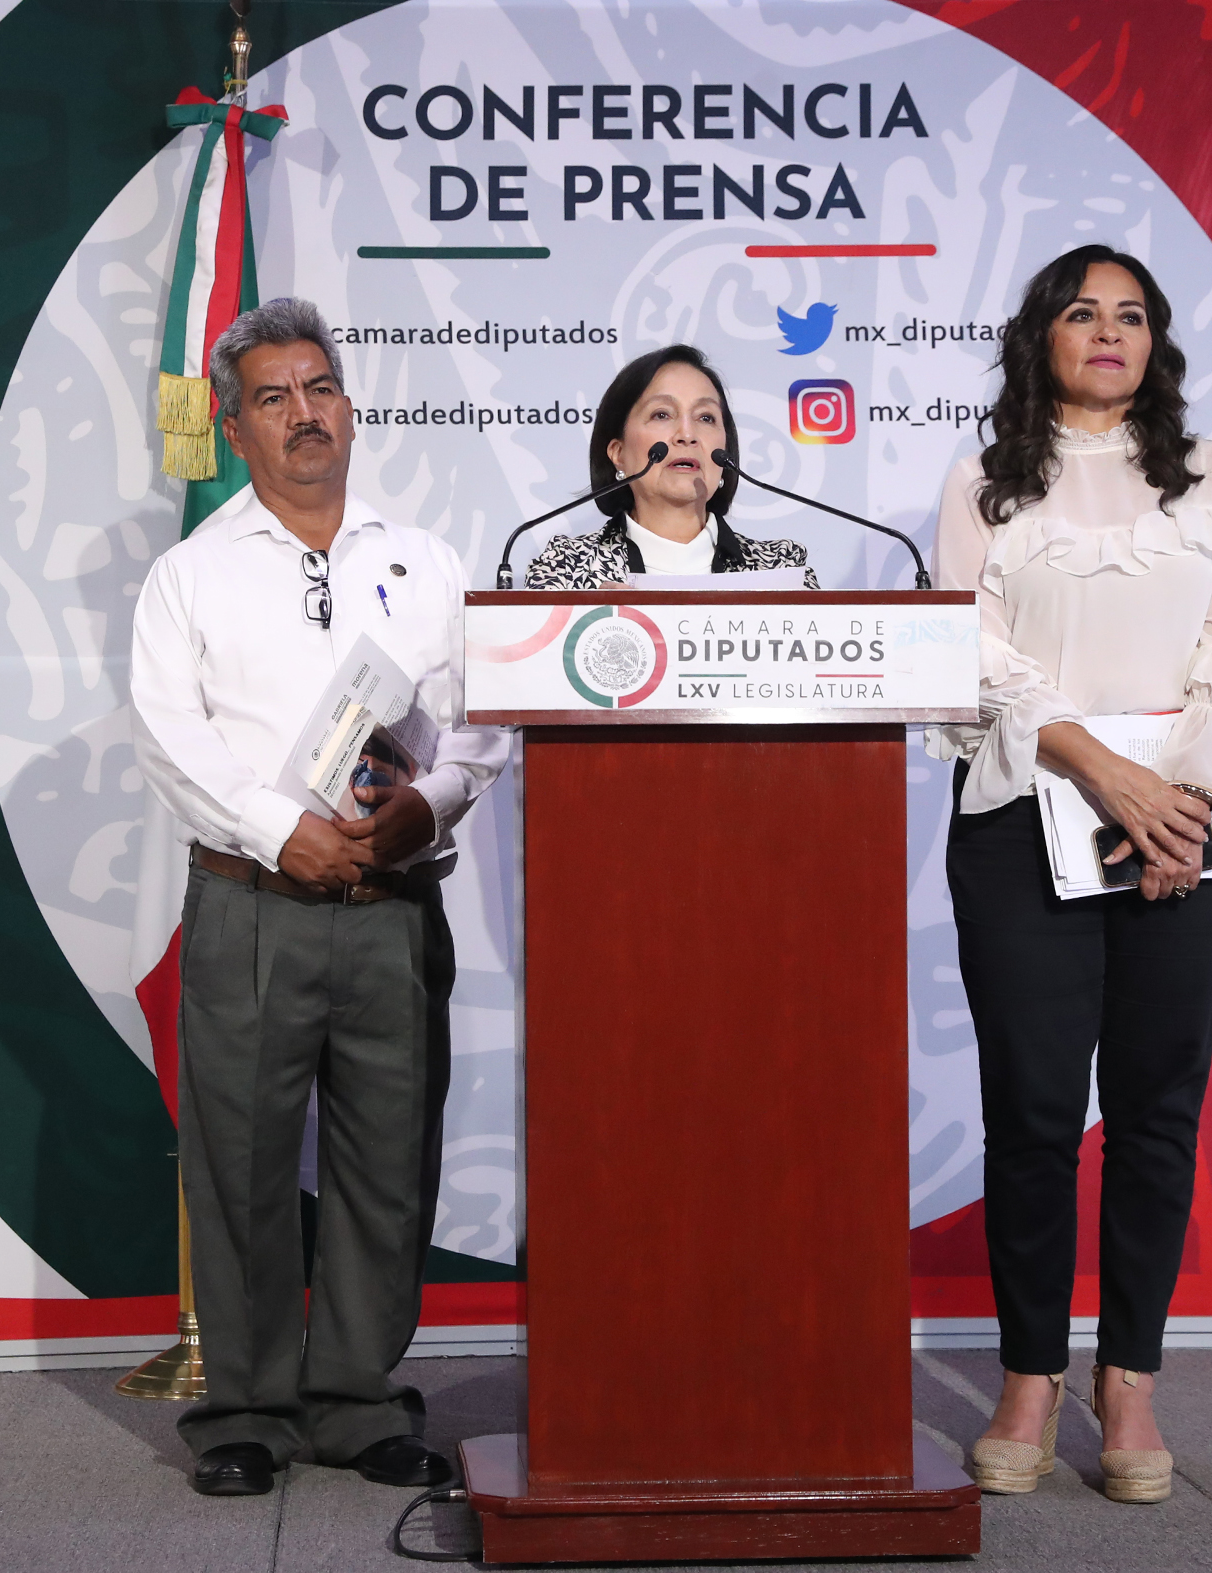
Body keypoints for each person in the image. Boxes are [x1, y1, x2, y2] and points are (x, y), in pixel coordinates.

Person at [928, 245, 1212, 1504]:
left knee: (1155, 1112)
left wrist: (1172, 808)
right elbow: (974, 658)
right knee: (1033, 1115)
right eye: (1082, 312)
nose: (1107, 331)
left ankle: (1129, 1377)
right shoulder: (982, 484)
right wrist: (1108, 777)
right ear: (1041, 337)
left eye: (1130, 315)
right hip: (1021, 818)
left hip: (1189, 827)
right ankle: (1029, 1376)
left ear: (1155, 342)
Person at [130, 297, 511, 1499]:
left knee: (385, 1158)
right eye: (274, 397)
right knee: (241, 1163)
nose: (304, 413)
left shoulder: (426, 561)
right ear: (234, 426)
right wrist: (279, 831)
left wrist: (426, 807)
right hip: (252, 904)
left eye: (320, 388)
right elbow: (169, 735)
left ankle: (355, 1400)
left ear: (350, 408)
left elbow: (481, 724)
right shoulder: (190, 574)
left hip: (394, 903)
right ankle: (244, 1409)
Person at [526, 345, 818, 588]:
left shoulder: (782, 571)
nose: (687, 435)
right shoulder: (566, 570)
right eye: (662, 414)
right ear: (618, 453)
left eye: (706, 417)